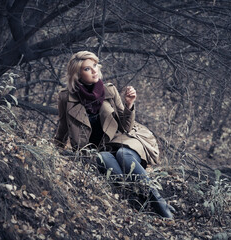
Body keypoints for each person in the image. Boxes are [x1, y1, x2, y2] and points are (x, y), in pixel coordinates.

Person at [54, 51, 174, 218]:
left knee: (123, 154)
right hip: (96, 151)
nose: (94, 71)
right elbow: (63, 127)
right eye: (88, 69)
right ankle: (141, 203)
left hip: (122, 141)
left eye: (95, 66)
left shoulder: (109, 90)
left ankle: (160, 205)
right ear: (77, 74)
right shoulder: (66, 98)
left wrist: (129, 105)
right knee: (106, 159)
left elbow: (126, 126)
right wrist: (53, 152)